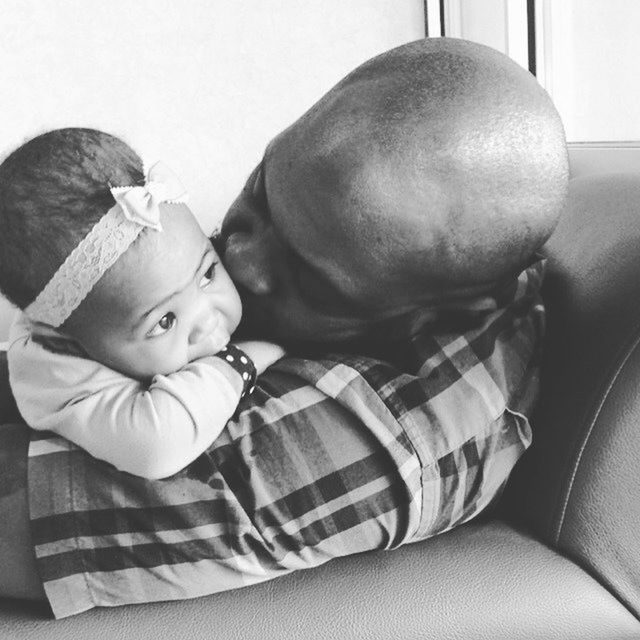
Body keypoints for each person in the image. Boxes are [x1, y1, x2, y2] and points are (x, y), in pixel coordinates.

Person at [0, 37, 568, 617]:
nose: (238, 258)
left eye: (308, 275)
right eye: (262, 193)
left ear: (442, 311)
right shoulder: (374, 268)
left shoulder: (390, 436)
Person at [0, 128, 285, 480]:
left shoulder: (140, 295)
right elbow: (158, 445)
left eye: (207, 273)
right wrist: (247, 357)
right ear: (77, 343)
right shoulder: (59, 372)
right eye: (165, 321)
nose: (208, 318)